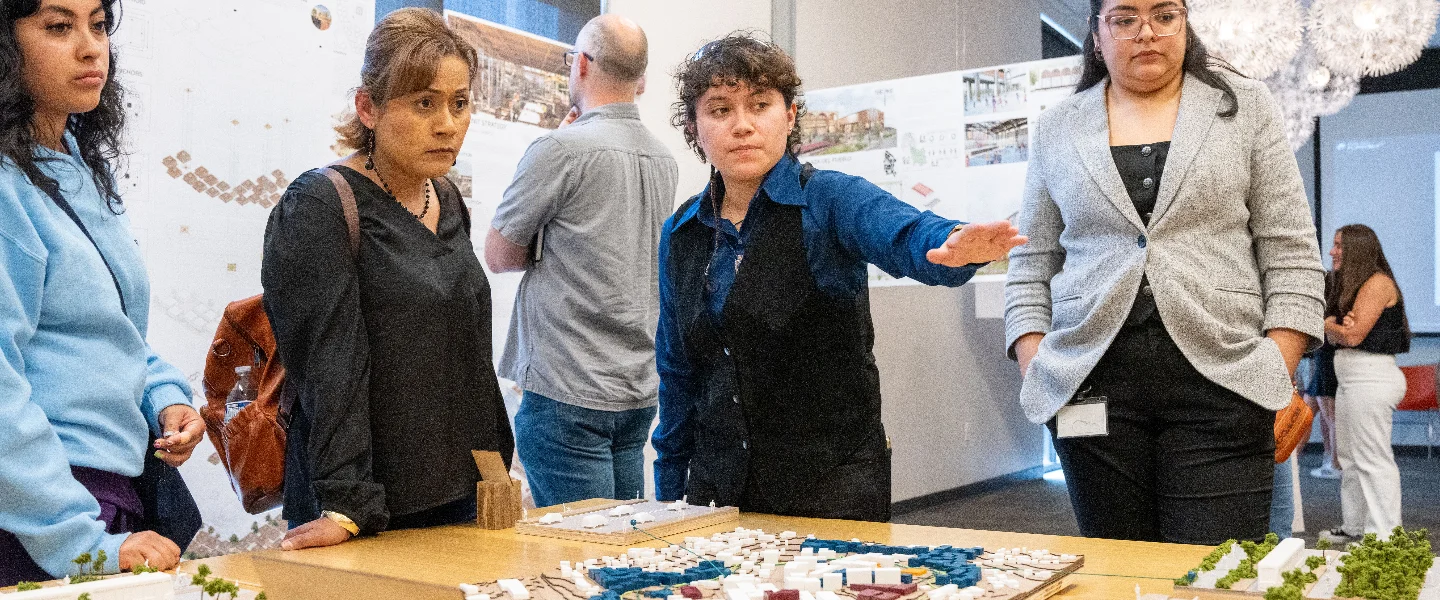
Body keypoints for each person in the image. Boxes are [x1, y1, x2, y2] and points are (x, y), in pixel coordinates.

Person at [652, 33, 1026, 522]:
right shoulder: (682, 233)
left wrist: (952, 246)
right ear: (695, 127)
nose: (742, 125)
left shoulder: (829, 199)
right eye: (719, 110)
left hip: (830, 487)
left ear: (788, 117)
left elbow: (903, 231)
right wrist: (666, 493)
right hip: (716, 488)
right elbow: (677, 373)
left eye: (760, 105)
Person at [1005, 0, 1325, 544]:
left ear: (1184, 22)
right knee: (1119, 572)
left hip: (1225, 383)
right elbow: (1031, 261)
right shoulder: (1058, 126)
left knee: (1211, 576)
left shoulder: (1244, 107)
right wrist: (1037, 364)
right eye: (1125, 19)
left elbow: (1291, 252)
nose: (1146, 32)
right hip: (1090, 388)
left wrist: (1277, 364)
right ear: (1097, 33)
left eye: (1165, 15)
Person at [262, 8, 513, 551]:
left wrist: (497, 469)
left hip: (458, 495)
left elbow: (468, 352)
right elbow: (330, 362)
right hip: (365, 505)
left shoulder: (444, 198)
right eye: (424, 102)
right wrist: (347, 504)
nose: (447, 123)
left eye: (460, 103)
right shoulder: (321, 205)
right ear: (368, 107)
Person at [0, 0, 207, 585]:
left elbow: (108, 334)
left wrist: (164, 398)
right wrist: (80, 540)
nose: (92, 47)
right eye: (59, 26)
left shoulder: (78, 166)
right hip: (37, 516)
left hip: (108, 495)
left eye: (98, 24)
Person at [486, 15, 678, 508]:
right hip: (636, 388)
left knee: (582, 555)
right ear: (641, 80)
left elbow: (499, 254)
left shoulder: (559, 150)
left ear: (584, 65)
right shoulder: (664, 159)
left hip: (567, 389)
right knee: (621, 546)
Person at [1317, 224, 1410, 544]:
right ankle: (1355, 526)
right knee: (1351, 457)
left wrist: (1331, 324)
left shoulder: (1377, 283)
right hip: (1353, 380)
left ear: (1358, 248)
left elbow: (1352, 335)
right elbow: (1342, 331)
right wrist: (1337, 326)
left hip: (1371, 379)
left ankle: (1385, 536)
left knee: (1372, 458)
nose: (1332, 252)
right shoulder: (1351, 286)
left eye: (1339, 245)